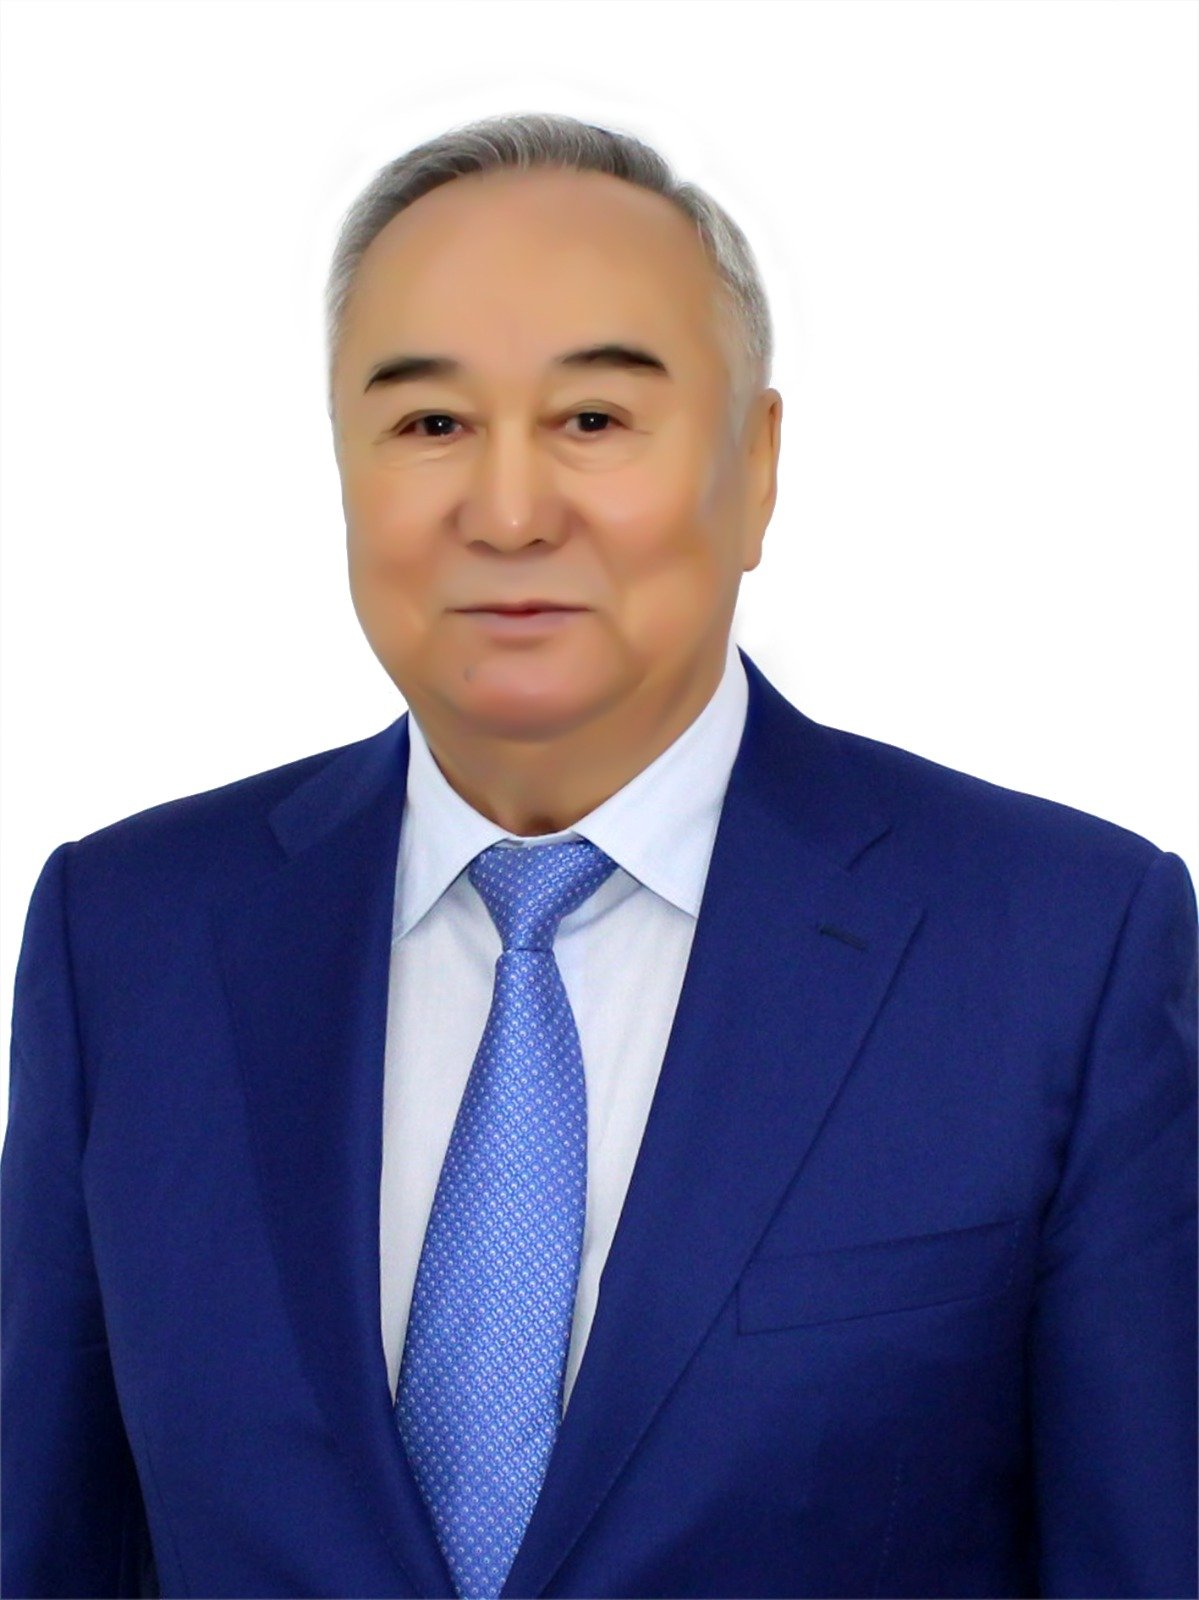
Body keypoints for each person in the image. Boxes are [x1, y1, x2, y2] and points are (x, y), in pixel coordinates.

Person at [2, 109, 1195, 1600]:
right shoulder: (126, 938)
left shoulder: (1059, 948)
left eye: (593, 420)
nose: (508, 513)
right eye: (431, 425)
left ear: (756, 467)